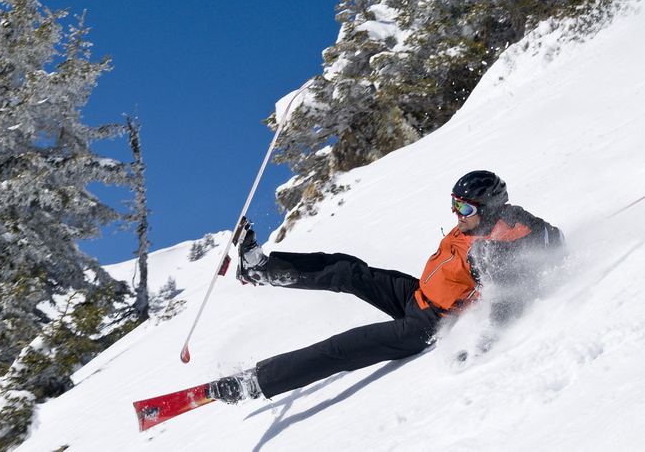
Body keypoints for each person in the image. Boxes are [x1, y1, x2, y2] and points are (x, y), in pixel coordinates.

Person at [206, 170, 566, 403]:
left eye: (465, 208)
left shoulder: (500, 239)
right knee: (346, 270)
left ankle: (254, 382)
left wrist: (483, 340)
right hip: (416, 294)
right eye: (454, 204)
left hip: (427, 324)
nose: (457, 214)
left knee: (342, 347)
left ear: (489, 208)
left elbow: (544, 252)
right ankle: (261, 270)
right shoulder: (477, 224)